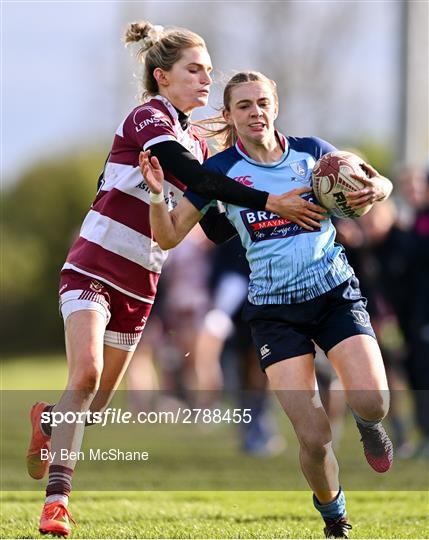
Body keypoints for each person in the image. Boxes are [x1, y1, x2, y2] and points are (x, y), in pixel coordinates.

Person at [25, 22, 329, 537]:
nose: (206, 80)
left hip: (141, 285)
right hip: (92, 268)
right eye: (194, 70)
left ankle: (49, 419)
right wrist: (267, 198)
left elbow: (213, 221)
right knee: (86, 377)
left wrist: (276, 212)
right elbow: (196, 175)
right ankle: (57, 504)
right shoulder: (149, 118)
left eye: (209, 71)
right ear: (162, 77)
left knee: (94, 408)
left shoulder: (199, 145)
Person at [140, 71, 394, 539]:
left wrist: (380, 190)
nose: (255, 112)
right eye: (243, 106)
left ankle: (369, 424)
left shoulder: (314, 153)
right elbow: (170, 234)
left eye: (262, 103)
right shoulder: (219, 171)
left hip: (333, 292)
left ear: (275, 105)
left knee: (373, 399)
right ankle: (335, 518)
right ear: (230, 115)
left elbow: (379, 186)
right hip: (275, 311)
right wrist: (158, 193)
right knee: (313, 439)